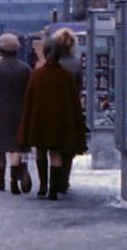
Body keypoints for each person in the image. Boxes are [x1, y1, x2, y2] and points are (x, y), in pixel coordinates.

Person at [17, 31, 87, 200]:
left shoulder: (37, 75)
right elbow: (74, 100)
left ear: (46, 53)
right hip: (60, 120)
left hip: (39, 120)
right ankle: (54, 190)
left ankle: (42, 186)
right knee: (56, 153)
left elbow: (29, 100)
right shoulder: (66, 76)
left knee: (41, 152)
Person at [0, 32, 32, 194]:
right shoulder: (24, 68)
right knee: (16, 147)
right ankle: (14, 183)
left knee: (0, 148)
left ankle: (0, 181)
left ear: (1, 50)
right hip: (20, 111)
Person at [54, 28, 83, 193]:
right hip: (71, 108)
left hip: (54, 107)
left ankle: (55, 179)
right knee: (68, 146)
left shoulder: (53, 64)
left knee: (55, 144)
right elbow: (80, 87)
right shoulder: (76, 64)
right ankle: (64, 180)